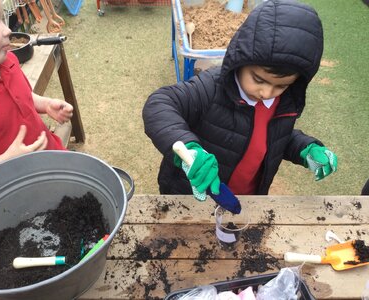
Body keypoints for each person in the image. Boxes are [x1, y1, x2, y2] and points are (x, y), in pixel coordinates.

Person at [143, 0, 338, 197]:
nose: (267, 93)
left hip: (247, 198)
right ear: (240, 60)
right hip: (192, 194)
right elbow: (160, 103)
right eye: (258, 79)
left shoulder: (284, 102)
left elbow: (273, 137)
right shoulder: (211, 86)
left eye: (281, 85)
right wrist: (188, 147)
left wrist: (305, 149)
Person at [0, 0, 73, 181]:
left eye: (3, 18)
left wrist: (45, 104)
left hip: (53, 160)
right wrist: (5, 160)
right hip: (17, 191)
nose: (7, 30)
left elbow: (22, 96)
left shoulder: (8, 60)